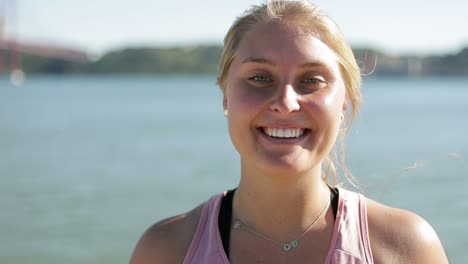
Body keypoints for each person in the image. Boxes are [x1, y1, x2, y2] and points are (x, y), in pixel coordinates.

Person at [130, 1, 448, 263]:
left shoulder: (405, 248)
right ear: (226, 96)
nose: (285, 102)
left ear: (343, 104)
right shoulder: (166, 250)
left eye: (311, 80)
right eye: (259, 78)